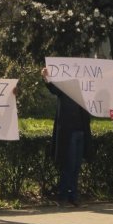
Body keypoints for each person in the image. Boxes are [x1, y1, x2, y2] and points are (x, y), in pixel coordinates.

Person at [41, 66, 93, 206]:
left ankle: (73, 195)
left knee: (76, 165)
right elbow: (53, 89)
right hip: (68, 131)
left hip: (81, 130)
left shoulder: (85, 89)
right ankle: (64, 196)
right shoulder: (65, 88)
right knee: (69, 165)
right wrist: (46, 77)